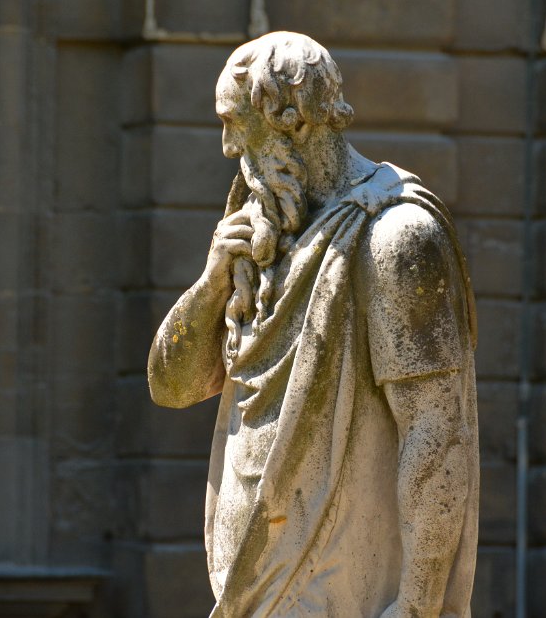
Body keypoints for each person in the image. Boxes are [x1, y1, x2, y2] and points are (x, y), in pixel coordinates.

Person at [148, 31, 479, 618]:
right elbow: (170, 388)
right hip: (248, 582)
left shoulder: (394, 238)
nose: (228, 147)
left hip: (334, 582)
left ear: (291, 118)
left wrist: (417, 606)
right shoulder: (262, 222)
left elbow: (436, 434)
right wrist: (211, 284)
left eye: (235, 122)